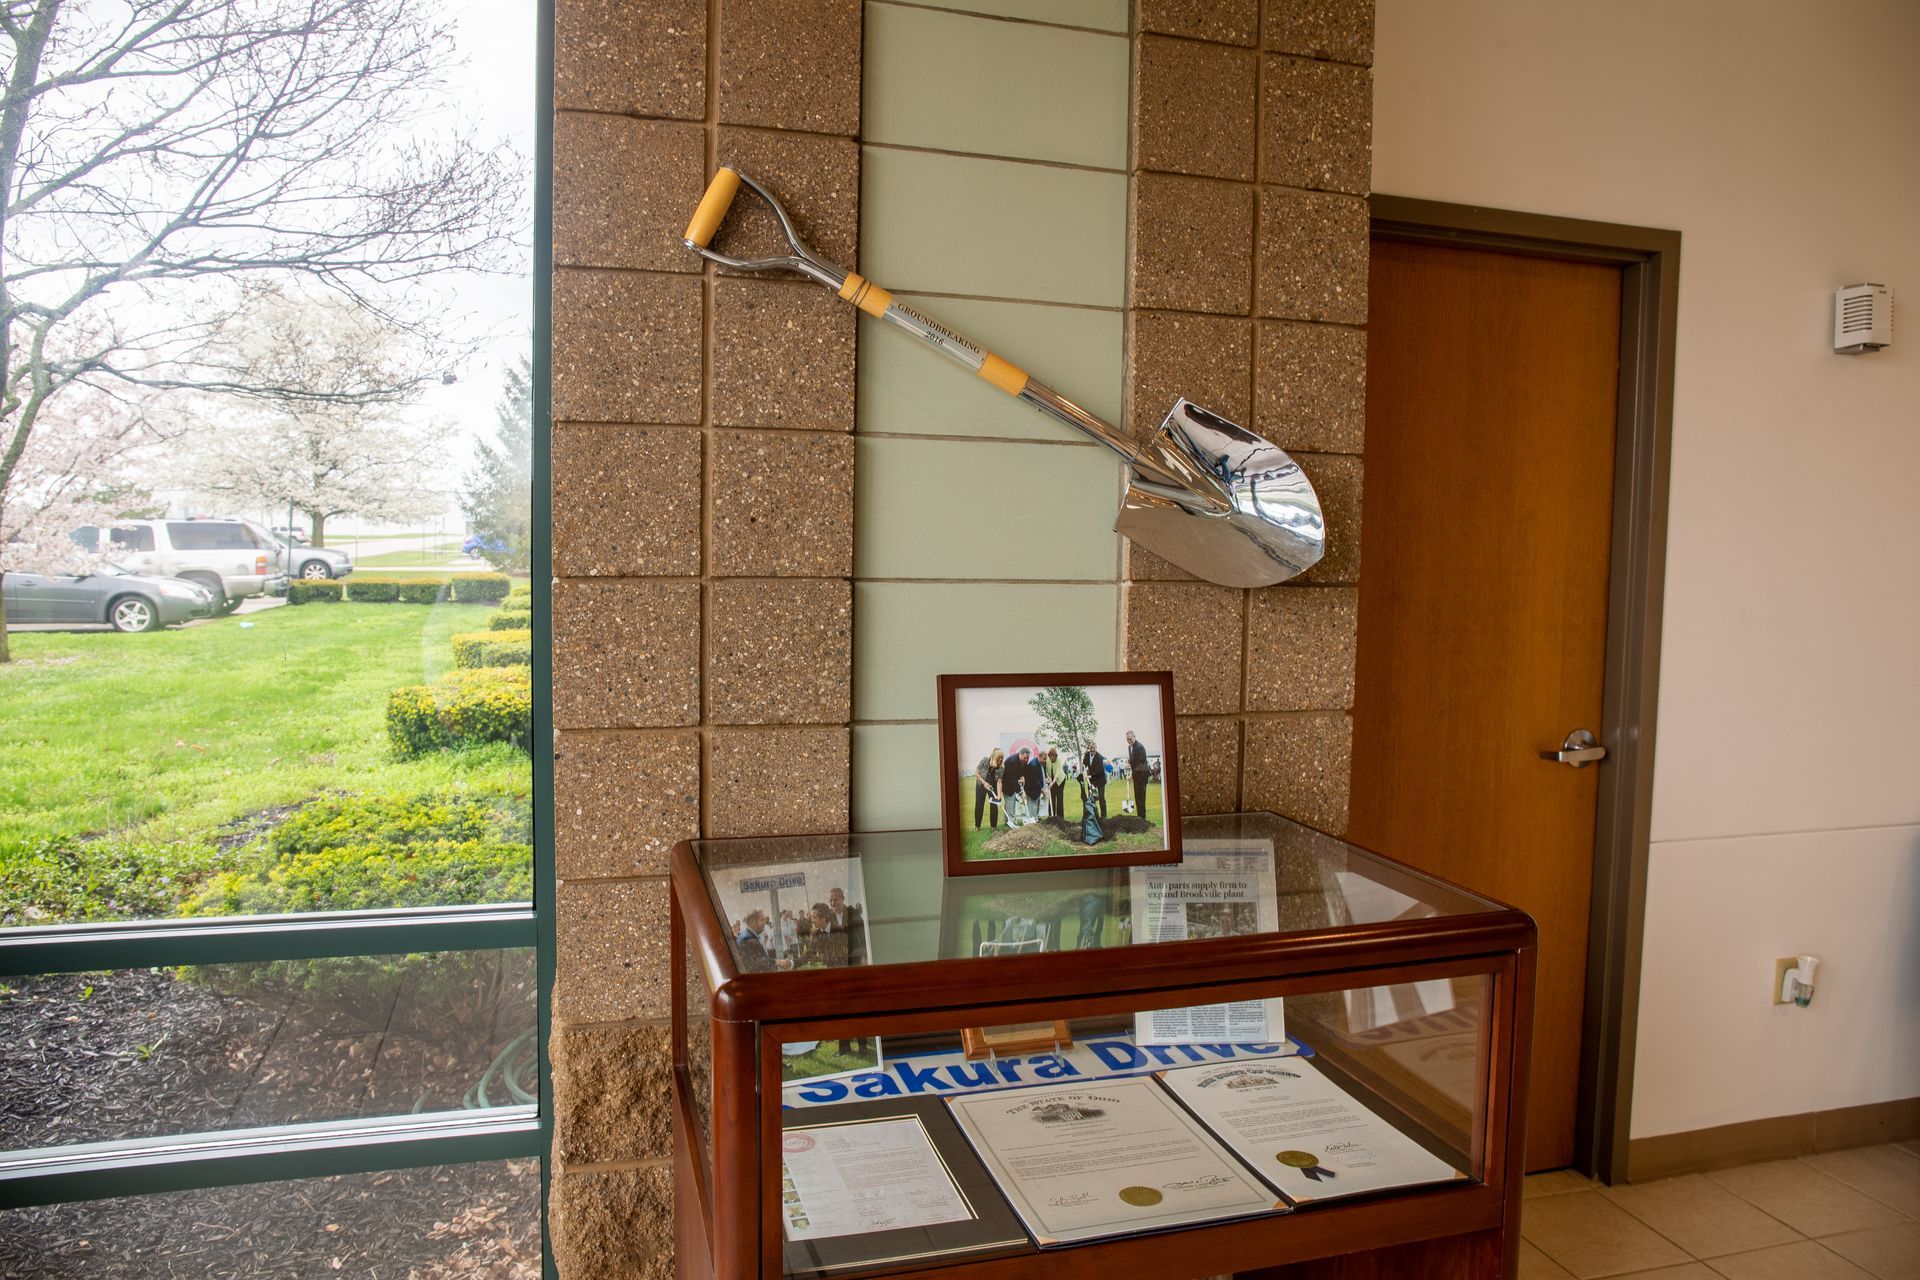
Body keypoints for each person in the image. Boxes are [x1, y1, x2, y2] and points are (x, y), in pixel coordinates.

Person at [828, 885, 866, 966]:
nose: (833, 903)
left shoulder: (853, 913)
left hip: (855, 959)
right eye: (831, 900)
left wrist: (864, 956)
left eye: (835, 900)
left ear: (843, 899)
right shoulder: (828, 917)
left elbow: (863, 935)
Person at [973, 748, 1005, 830]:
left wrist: (998, 795)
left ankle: (993, 827)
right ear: (994, 757)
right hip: (981, 784)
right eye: (999, 757)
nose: (1001, 759)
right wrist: (984, 783)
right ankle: (977, 826)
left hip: (992, 786)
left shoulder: (1001, 767)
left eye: (1002, 757)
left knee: (994, 805)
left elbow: (999, 782)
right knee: (979, 804)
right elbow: (976, 773)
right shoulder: (985, 760)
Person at [1126, 730, 1150, 820]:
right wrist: (1129, 763)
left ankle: (1142, 817)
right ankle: (1139, 816)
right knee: (1137, 795)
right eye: (1127, 740)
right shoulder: (1129, 747)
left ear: (1134, 737)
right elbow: (1134, 759)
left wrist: (1132, 775)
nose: (1129, 741)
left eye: (1130, 739)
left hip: (1142, 775)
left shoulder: (1140, 747)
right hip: (1136, 775)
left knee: (1141, 796)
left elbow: (1142, 763)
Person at [1082, 740, 1108, 819]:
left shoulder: (1100, 757)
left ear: (1096, 748)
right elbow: (1084, 763)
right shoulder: (1087, 754)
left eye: (1094, 748)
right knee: (1091, 797)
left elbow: (1099, 770)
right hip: (1092, 780)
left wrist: (1091, 776)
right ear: (1089, 748)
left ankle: (1104, 815)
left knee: (1101, 797)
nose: (1092, 750)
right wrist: (1085, 772)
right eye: (1091, 748)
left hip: (1100, 779)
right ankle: (1092, 815)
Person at [1045, 747, 1064, 821]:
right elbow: (1045, 770)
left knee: (1059, 798)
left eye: (1054, 756)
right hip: (1051, 780)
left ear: (1056, 756)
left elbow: (1057, 774)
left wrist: (1053, 782)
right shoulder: (1047, 760)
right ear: (1049, 755)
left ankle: (1060, 818)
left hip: (1060, 780)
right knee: (1051, 797)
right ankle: (1051, 817)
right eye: (1051, 756)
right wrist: (1048, 778)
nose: (1052, 757)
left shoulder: (1059, 761)